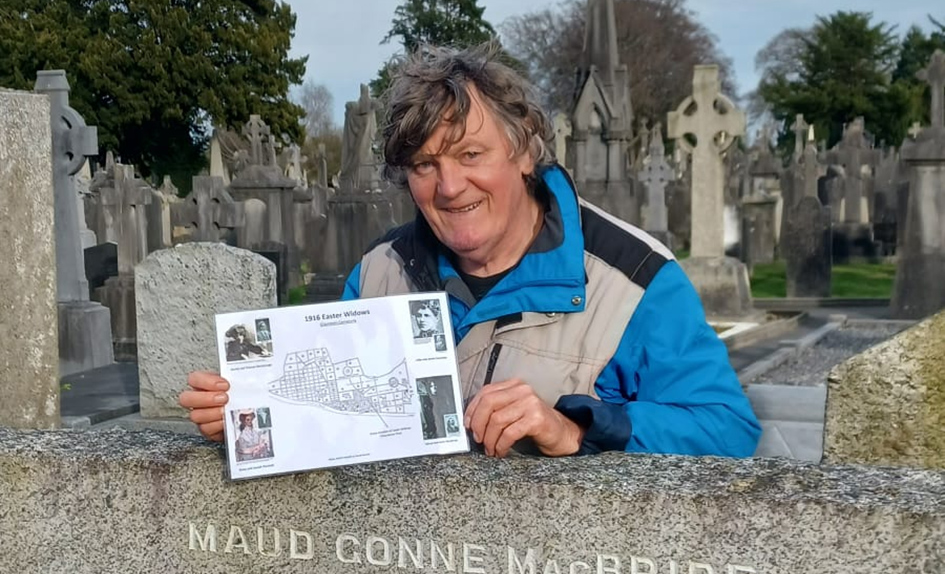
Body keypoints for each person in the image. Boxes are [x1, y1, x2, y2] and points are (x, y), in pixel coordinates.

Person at [180, 42, 760, 459]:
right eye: (426, 165)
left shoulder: (635, 278)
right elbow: (342, 423)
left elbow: (728, 429)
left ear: (526, 152)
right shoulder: (380, 272)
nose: (450, 186)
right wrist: (251, 416)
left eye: (471, 155)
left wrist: (576, 428)